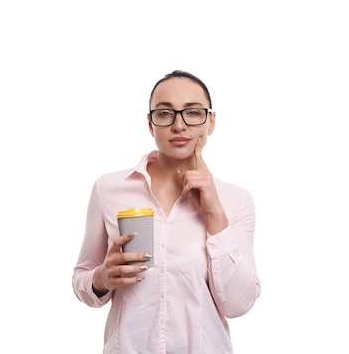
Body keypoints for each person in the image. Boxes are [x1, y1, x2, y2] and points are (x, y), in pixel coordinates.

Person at [72, 70, 261, 353]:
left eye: (193, 112)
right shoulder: (108, 189)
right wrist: (100, 279)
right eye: (164, 114)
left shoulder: (236, 200)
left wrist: (215, 214)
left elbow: (239, 304)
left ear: (211, 122)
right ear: (150, 124)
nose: (179, 125)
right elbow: (82, 278)